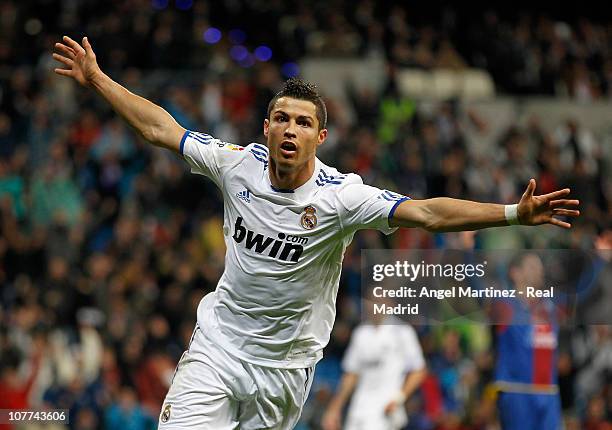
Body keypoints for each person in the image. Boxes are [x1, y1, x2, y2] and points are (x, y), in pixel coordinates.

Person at [53, 35, 580, 430]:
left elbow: (428, 214)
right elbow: (160, 128)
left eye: (303, 123)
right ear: (266, 127)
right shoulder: (236, 165)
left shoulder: (341, 197)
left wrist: (512, 213)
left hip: (286, 367)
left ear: (320, 136)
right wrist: (97, 78)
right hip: (218, 348)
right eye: (280, 118)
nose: (289, 129)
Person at [322, 307, 426, 430]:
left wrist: (399, 398)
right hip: (359, 409)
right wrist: (334, 408)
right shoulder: (360, 333)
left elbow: (419, 370)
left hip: (386, 409)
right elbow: (351, 374)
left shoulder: (402, 332)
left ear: (389, 304)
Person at [494, 253, 562, 430]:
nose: (539, 271)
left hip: (548, 391)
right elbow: (474, 287)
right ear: (515, 273)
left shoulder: (550, 306)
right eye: (532, 266)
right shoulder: (504, 305)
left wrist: (599, 258)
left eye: (540, 267)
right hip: (517, 391)